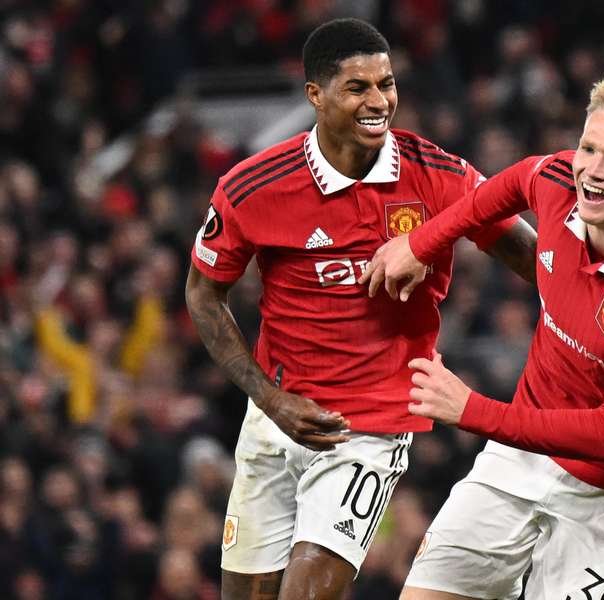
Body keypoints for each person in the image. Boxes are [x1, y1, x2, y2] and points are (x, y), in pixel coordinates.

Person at [184, 18, 536, 600]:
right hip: (276, 417)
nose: (379, 101)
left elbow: (535, 260)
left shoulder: (438, 177)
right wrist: (268, 399)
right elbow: (202, 292)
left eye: (387, 83)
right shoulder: (255, 187)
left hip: (369, 428)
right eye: (358, 88)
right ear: (315, 96)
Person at [362, 73, 604, 599]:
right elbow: (492, 195)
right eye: (588, 148)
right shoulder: (556, 180)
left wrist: (471, 410)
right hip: (524, 452)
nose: (592, 173)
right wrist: (420, 244)